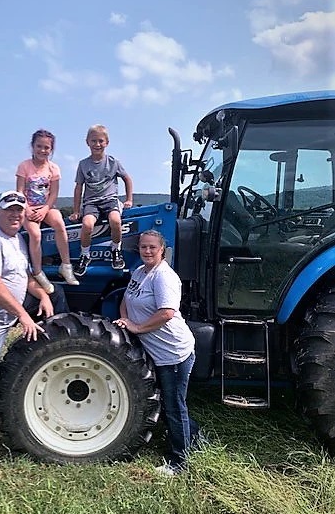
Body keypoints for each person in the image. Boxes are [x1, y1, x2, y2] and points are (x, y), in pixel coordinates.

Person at [0, 190, 70, 469]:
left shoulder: (16, 239)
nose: (15, 215)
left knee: (55, 296)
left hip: (4, 316)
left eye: (19, 210)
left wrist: (43, 295)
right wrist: (23, 315)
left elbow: (23, 277)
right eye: (10, 210)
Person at [113, 229, 199, 476]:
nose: (147, 251)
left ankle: (179, 463)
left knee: (174, 406)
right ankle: (195, 437)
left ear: (162, 249)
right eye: (143, 247)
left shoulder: (164, 277)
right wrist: (125, 320)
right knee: (170, 403)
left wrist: (138, 328)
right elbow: (126, 298)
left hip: (172, 353)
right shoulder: (140, 272)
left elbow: (167, 313)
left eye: (152, 247)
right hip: (158, 353)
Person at [16, 129, 79, 294]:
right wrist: (27, 209)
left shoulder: (53, 168)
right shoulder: (24, 166)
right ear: (32, 146)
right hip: (27, 207)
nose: (42, 150)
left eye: (46, 148)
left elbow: (54, 193)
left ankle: (66, 266)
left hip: (46, 206)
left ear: (51, 149)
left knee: (59, 223)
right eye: (39, 146)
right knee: (35, 235)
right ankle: (38, 271)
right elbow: (20, 191)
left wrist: (45, 209)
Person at [69, 124, 133, 276]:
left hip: (110, 200)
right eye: (93, 141)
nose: (97, 144)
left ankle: (116, 251)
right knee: (87, 224)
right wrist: (76, 211)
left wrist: (129, 199)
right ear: (87, 142)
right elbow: (78, 187)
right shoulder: (83, 164)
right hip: (92, 202)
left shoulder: (113, 162)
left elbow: (127, 178)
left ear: (106, 143)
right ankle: (85, 255)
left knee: (116, 221)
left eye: (100, 141)